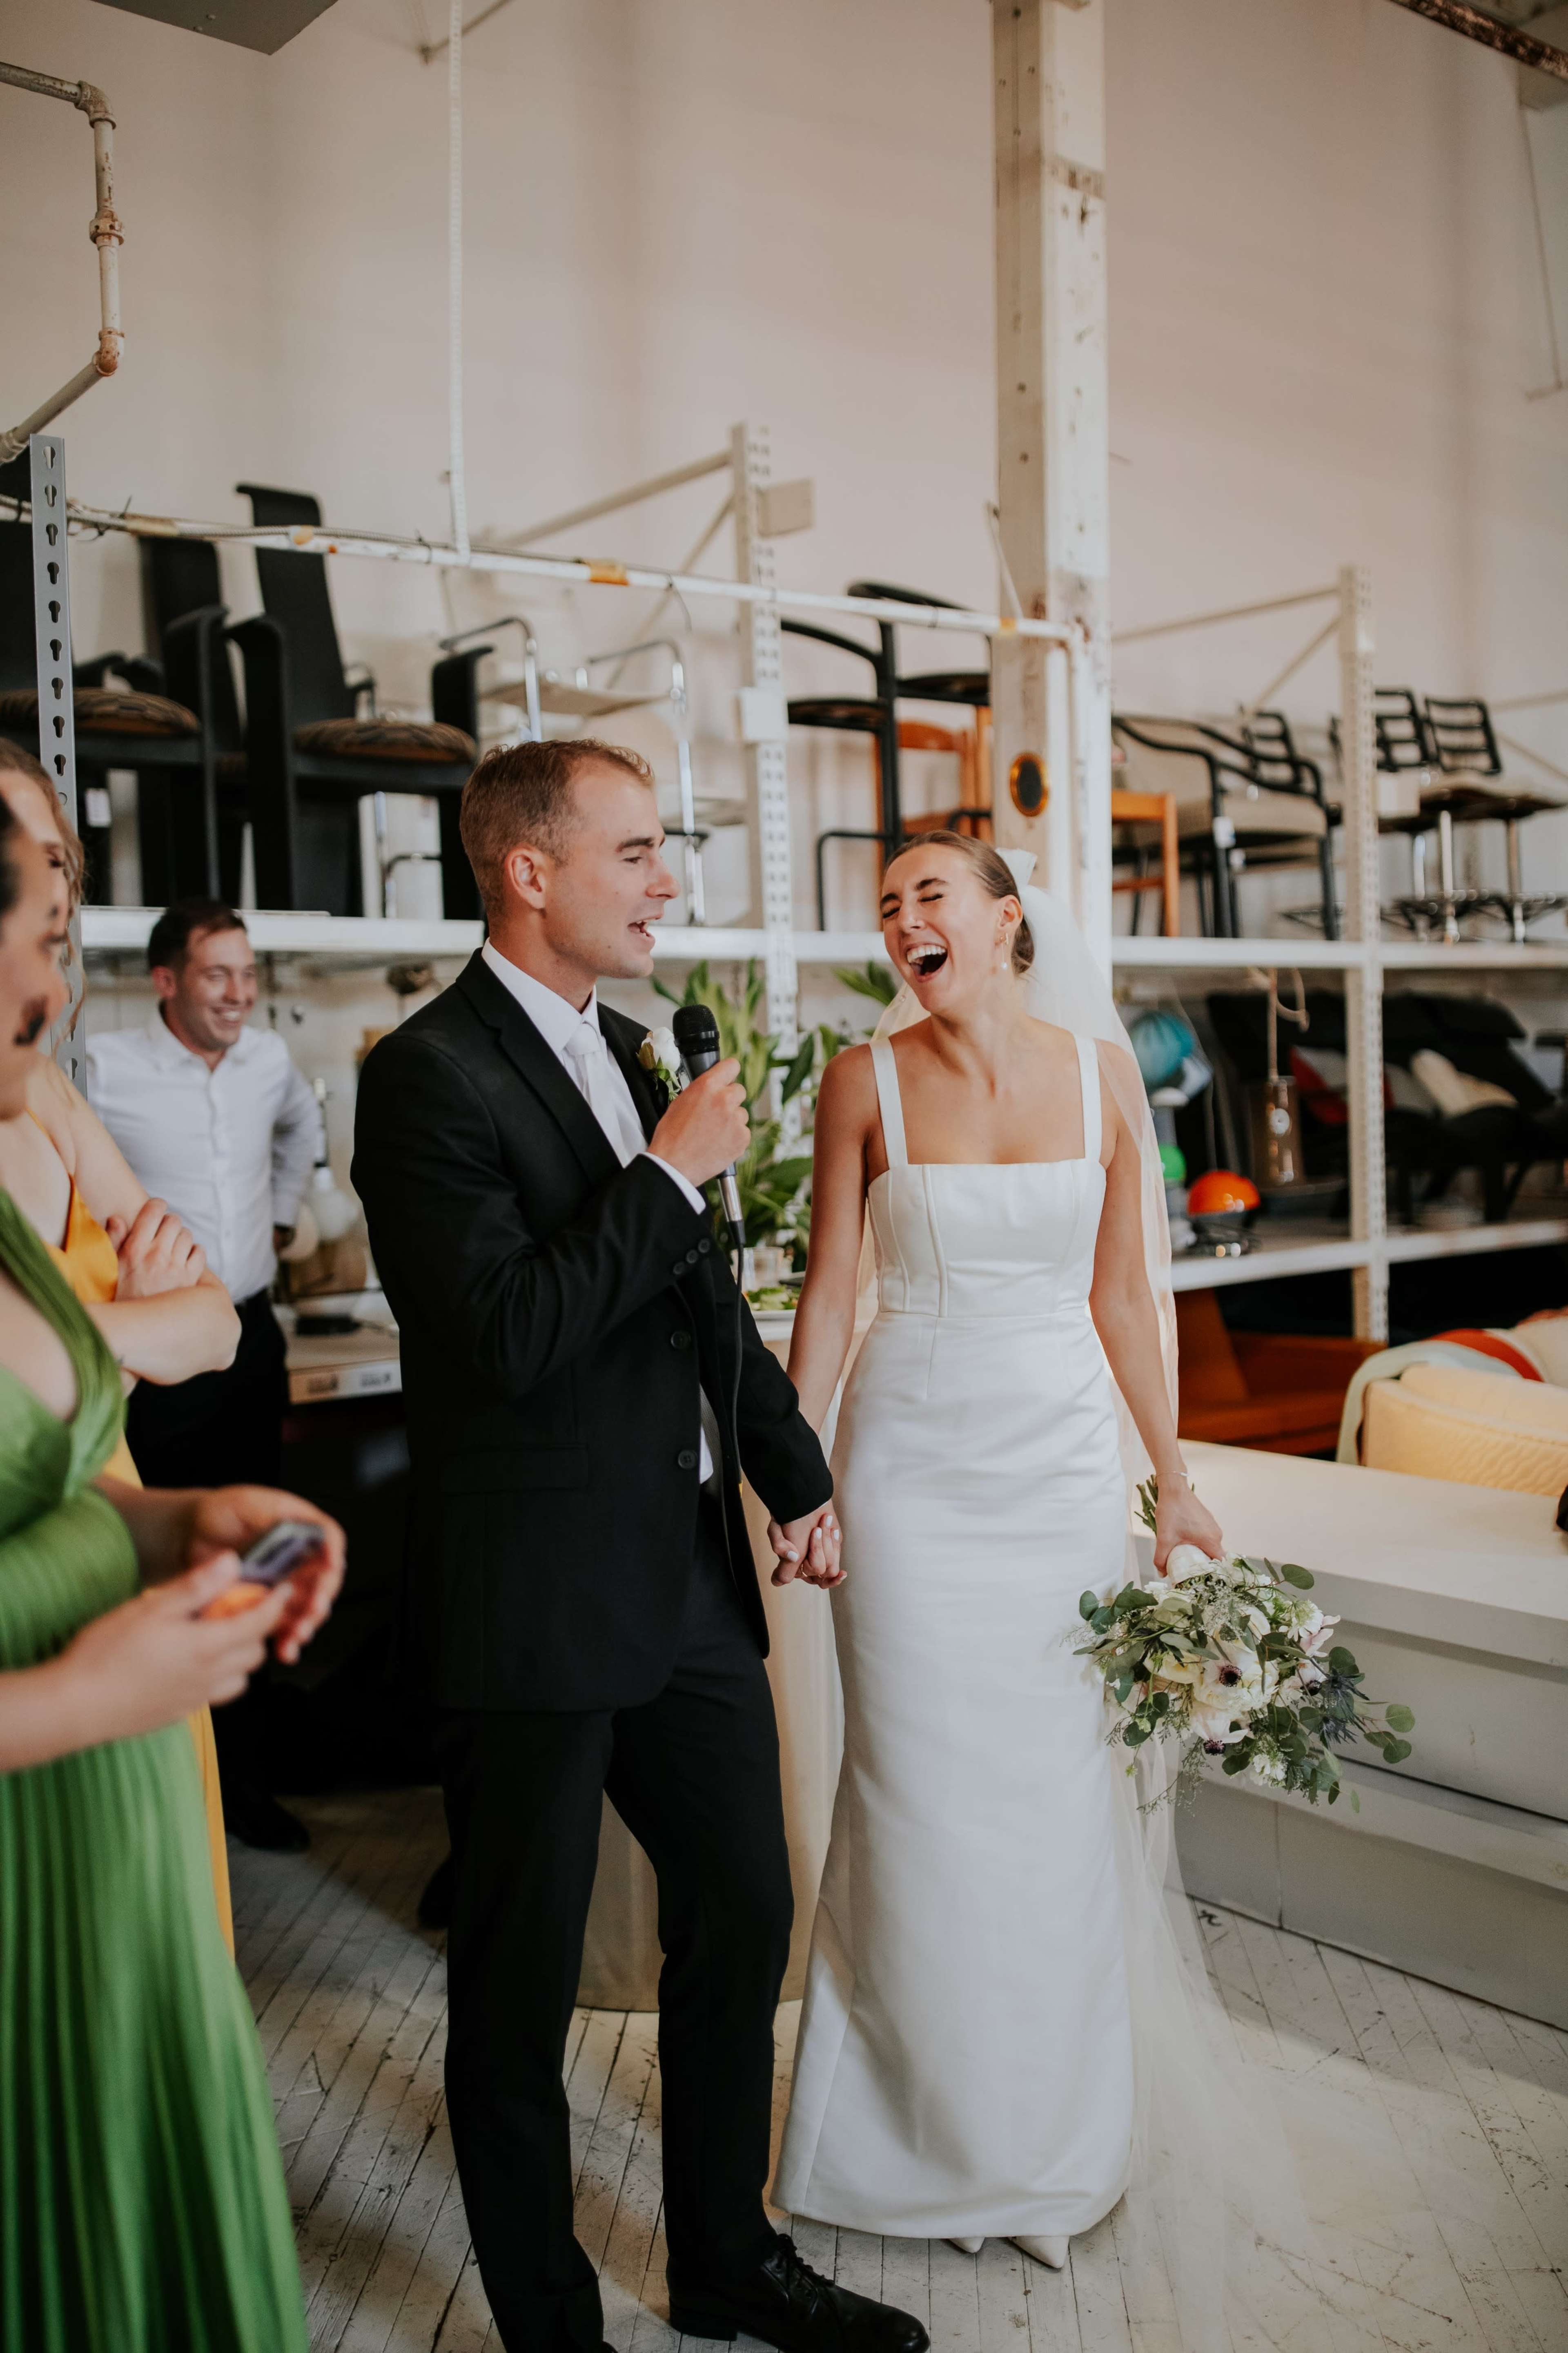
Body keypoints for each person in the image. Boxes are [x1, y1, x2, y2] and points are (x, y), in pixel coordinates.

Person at [354, 738, 926, 2353]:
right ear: (529, 871)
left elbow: (703, 1310)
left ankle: (726, 2262)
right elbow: (506, 1335)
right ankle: (552, 2324)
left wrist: (794, 1476)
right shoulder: (424, 1074)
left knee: (745, 1907)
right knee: (518, 1978)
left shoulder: (631, 1047)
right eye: (636, 851)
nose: (666, 881)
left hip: (683, 1577)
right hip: (532, 1599)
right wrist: (672, 1169)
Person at [775, 834, 1283, 2308]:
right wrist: (798, 1473)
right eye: (887, 906)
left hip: (1058, 1478)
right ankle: (913, 2145)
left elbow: (1124, 1294)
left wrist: (1172, 1483)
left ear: (1007, 921)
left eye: (930, 894)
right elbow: (830, 1290)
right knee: (913, 1797)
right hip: (907, 1475)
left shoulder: (1105, 1076)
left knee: (1052, 1811)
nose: (904, 920)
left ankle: (1045, 2154)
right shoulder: (861, 1084)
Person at [0, 796, 346, 2353]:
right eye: (32, 942)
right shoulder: (81, 1093)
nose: (50, 993)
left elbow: (183, 1339)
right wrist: (88, 1691)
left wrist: (179, 1522)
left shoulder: (39, 1124)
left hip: (115, 1756)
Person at [0, 742, 242, 1945]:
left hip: (116, 1537)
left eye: (54, 872)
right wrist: (133, 1331)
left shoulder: (40, 1090)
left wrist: (172, 1523)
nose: (48, 979)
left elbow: (216, 1323)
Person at [87, 896, 325, 1851]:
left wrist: (285, 1210)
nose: (239, 992)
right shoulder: (104, 1065)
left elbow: (303, 1127)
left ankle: (244, 1783)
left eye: (248, 972)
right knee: (164, 1566)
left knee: (258, 1554)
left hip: (253, 1336)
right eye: (217, 973)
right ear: (166, 981)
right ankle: (166, 1788)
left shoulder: (268, 1059)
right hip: (161, 1355)